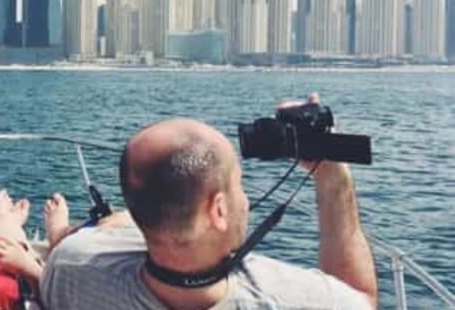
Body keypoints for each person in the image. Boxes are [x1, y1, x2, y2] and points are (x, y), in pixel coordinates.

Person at [40, 95, 378, 309]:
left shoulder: (69, 269)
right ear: (218, 210)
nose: (245, 200)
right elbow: (361, 301)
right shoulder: (287, 298)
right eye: (238, 185)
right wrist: (331, 175)